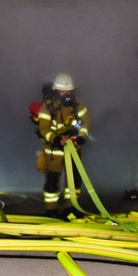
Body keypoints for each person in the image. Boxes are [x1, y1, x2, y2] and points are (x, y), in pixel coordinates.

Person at [31, 73, 90, 218]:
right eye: (63, 91)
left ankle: (72, 207)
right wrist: (57, 140)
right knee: (52, 181)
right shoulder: (48, 106)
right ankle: (51, 210)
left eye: (69, 91)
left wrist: (81, 138)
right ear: (57, 91)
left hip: (73, 147)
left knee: (75, 179)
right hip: (54, 150)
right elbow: (44, 129)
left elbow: (86, 121)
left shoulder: (77, 104)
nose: (67, 94)